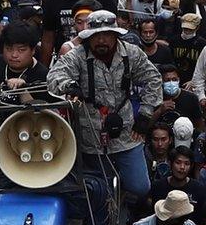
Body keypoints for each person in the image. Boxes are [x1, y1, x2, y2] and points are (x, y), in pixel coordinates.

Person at [47, 10, 162, 200]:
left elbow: (154, 78)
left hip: (126, 131)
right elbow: (54, 77)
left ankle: (124, 201)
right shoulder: (77, 55)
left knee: (140, 187)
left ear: (115, 35)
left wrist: (145, 113)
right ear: (88, 37)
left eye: (107, 35)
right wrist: (69, 86)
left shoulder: (131, 53)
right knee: (96, 191)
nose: (101, 41)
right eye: (96, 36)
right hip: (90, 134)